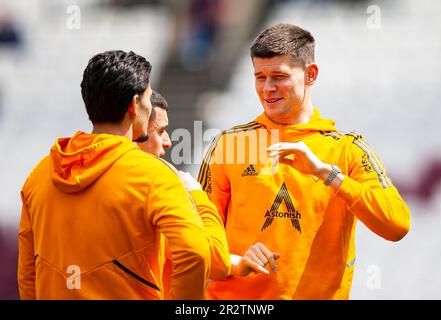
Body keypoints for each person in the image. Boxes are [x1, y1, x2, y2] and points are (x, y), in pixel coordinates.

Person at [198, 23, 411, 299]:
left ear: (310, 74)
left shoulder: (348, 149)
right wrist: (236, 259)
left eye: (278, 76)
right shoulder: (228, 145)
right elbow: (198, 237)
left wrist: (328, 175)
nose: (267, 88)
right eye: (259, 77)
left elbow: (396, 225)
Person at [18, 50, 213, 300]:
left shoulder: (40, 173)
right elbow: (195, 252)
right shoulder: (153, 174)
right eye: (149, 97)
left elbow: (27, 271)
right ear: (134, 105)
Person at [138, 90, 231, 298]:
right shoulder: (159, 182)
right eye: (161, 130)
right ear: (137, 129)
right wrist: (197, 195)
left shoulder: (55, 170)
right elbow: (217, 260)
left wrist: (238, 262)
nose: (168, 141)